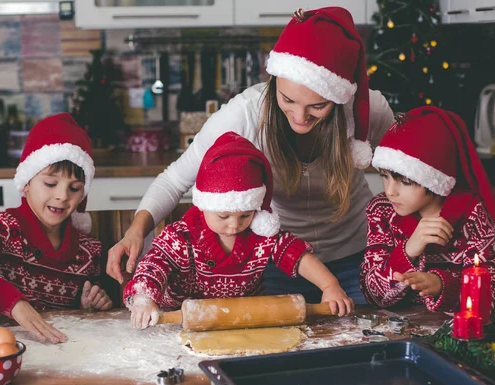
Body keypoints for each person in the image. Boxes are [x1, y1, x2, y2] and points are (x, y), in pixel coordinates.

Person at [107, 7, 394, 304]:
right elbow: (174, 180)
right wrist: (135, 231)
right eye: (288, 99)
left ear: (339, 97)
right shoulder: (245, 113)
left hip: (357, 257)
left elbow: (410, 172)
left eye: (317, 107)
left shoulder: (369, 110)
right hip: (275, 262)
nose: (299, 116)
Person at [125, 132, 354, 329]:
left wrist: (330, 285)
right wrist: (145, 298)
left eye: (245, 215)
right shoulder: (182, 236)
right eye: (223, 216)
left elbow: (297, 256)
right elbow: (154, 264)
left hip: (244, 322)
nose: (234, 225)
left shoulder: (262, 234)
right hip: (178, 323)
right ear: (205, 205)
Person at [0, 113, 112, 343]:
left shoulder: (88, 251)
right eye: (50, 184)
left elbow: (75, 323)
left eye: (74, 188)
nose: (62, 196)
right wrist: (15, 304)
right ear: (26, 184)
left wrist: (88, 306)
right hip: (10, 352)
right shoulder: (4, 229)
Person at [360, 106, 495, 313]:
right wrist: (409, 250)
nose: (390, 191)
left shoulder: (471, 214)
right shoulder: (381, 210)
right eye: (384, 176)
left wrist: (441, 286)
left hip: (453, 332)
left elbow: (492, 294)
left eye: (406, 182)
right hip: (396, 330)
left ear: (434, 180)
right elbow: (372, 294)